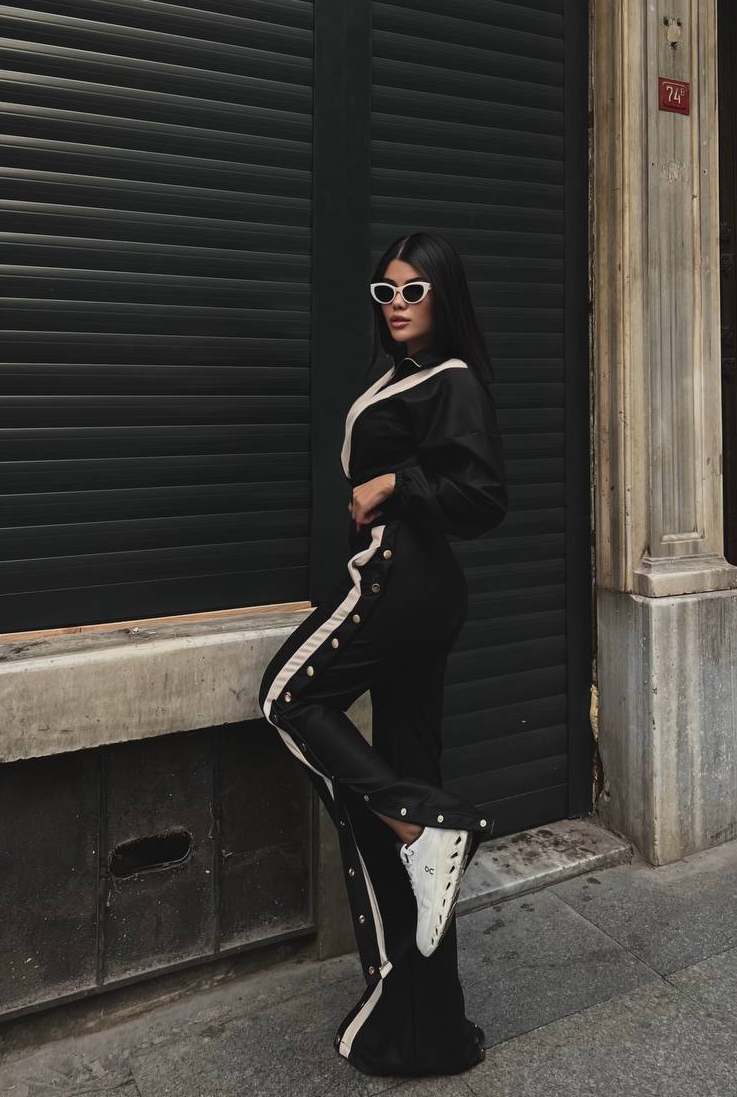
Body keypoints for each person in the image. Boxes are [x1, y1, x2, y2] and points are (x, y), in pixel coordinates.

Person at [257, 230, 508, 1076]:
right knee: (410, 768)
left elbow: (484, 496)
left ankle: (419, 823)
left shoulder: (452, 379)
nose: (397, 304)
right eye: (386, 292)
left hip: (402, 584)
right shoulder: (404, 376)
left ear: (444, 295)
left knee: (287, 698)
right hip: (414, 593)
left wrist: (396, 483)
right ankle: (427, 1033)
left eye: (414, 290)